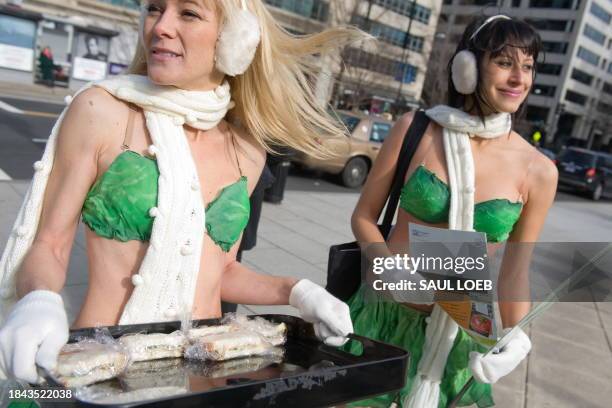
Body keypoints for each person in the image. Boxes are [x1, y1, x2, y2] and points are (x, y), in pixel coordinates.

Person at [0, 0, 365, 384]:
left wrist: (296, 291)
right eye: (155, 9)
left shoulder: (248, 150)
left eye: (188, 13)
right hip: (101, 369)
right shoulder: (100, 111)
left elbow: (217, 270)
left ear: (233, 38)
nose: (161, 26)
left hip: (199, 373)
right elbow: (49, 244)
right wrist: (39, 299)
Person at [347, 15, 557, 407]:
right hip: (381, 322)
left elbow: (514, 273)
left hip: (460, 342)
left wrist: (515, 336)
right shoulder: (416, 129)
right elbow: (363, 216)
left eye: (527, 66)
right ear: (468, 66)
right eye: (505, 62)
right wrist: (388, 268)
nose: (519, 79)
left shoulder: (539, 170)